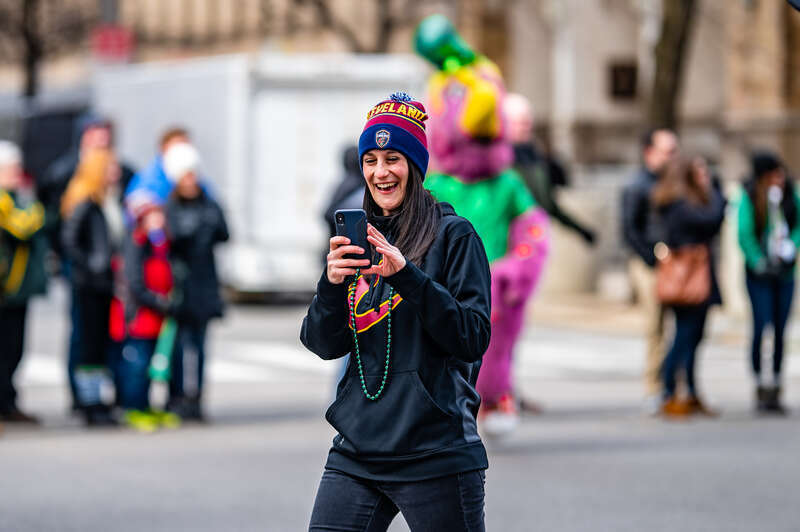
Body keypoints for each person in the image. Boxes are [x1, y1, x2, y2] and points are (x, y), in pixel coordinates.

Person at [301, 93, 491, 531]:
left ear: (415, 166)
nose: (380, 172)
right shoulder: (359, 239)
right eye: (370, 159)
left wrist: (407, 275)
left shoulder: (454, 235)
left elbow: (472, 335)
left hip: (436, 451)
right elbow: (323, 345)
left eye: (393, 158)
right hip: (359, 449)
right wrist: (330, 287)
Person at [651, 157, 725, 418]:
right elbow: (711, 220)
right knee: (683, 337)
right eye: (700, 172)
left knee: (694, 338)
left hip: (696, 275)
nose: (705, 175)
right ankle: (669, 392)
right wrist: (717, 192)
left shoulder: (685, 201)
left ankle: (690, 391)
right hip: (687, 277)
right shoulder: (679, 204)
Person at [164, 143, 228, 422]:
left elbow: (224, 233)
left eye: (193, 173)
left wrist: (204, 228)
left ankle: (197, 398)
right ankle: (176, 397)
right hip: (179, 284)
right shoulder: (170, 205)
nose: (191, 180)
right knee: (177, 345)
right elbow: (171, 238)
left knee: (200, 346)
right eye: (186, 175)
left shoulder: (209, 201)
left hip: (204, 284)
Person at [621, 128, 679, 414]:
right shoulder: (637, 185)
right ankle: (654, 386)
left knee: (678, 327)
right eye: (666, 151)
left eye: (674, 151)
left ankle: (675, 384)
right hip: (649, 264)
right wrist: (652, 258)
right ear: (649, 152)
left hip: (676, 263)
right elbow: (629, 229)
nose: (671, 158)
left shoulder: (676, 182)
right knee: (655, 327)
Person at [738, 150, 799, 414]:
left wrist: (791, 251)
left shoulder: (790, 196)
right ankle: (759, 381)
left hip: (785, 274)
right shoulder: (750, 196)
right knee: (761, 325)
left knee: (780, 330)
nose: (779, 179)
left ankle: (775, 382)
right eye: (773, 175)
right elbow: (744, 231)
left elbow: (797, 227)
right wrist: (758, 261)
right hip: (759, 275)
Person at [60, 148, 119, 426]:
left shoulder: (108, 202)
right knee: (88, 344)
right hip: (89, 285)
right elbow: (69, 242)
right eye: (110, 168)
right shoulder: (85, 203)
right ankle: (88, 400)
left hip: (106, 285)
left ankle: (99, 398)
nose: (115, 173)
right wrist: (91, 265)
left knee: (101, 344)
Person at [120, 191, 180, 431]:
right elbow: (134, 284)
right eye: (151, 215)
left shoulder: (163, 243)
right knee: (138, 364)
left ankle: (154, 406)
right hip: (143, 315)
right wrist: (157, 302)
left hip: (161, 317)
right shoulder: (136, 243)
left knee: (160, 364)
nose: (157, 219)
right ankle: (135, 407)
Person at [505, 93, 596, 245]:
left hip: (535, 240)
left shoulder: (536, 158)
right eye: (520, 123)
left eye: (527, 122)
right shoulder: (497, 165)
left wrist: (580, 229)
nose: (525, 128)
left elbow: (548, 204)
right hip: (509, 244)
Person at [0, 141, 47, 424]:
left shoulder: (18, 197)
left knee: (13, 349)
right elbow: (23, 227)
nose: (17, 173)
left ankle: (8, 401)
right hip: (5, 288)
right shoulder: (7, 200)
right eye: (10, 168)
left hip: (18, 290)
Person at [125, 127, 191, 205]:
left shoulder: (193, 178)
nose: (184, 151)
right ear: (164, 148)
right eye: (178, 146)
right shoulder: (149, 178)